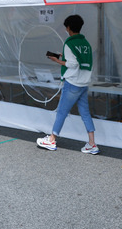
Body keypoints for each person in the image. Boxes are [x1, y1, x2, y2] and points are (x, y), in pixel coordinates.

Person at [36, 14, 98, 155]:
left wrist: (57, 61)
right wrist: (61, 56)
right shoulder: (86, 43)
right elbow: (80, 60)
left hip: (72, 83)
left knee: (62, 112)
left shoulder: (69, 43)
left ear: (68, 28)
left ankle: (51, 140)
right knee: (85, 114)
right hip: (84, 83)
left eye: (66, 27)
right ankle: (92, 144)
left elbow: (72, 63)